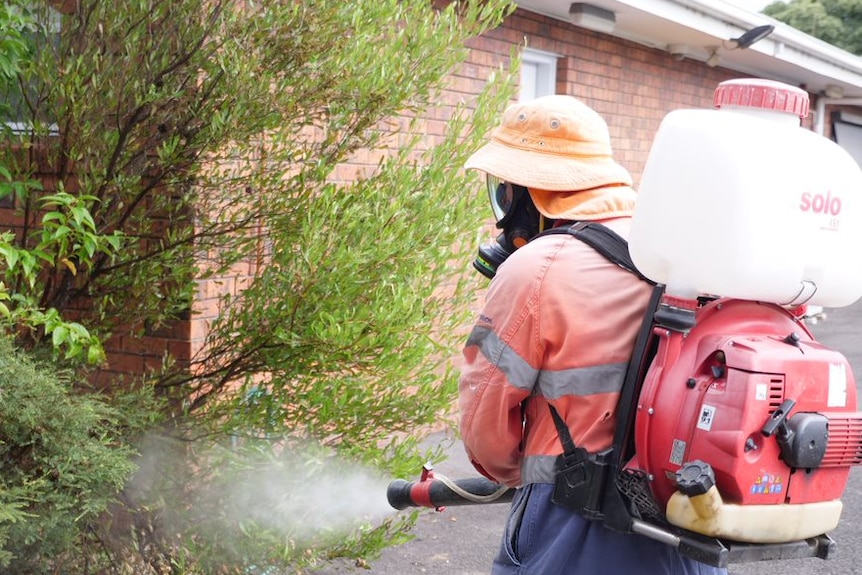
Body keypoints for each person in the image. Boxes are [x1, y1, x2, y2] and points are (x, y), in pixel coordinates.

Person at [458, 95, 727, 575]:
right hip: (689, 510)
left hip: (572, 513)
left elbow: (486, 421)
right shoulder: (687, 249)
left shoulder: (537, 269)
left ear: (530, 192)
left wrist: (512, 473)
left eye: (506, 189)